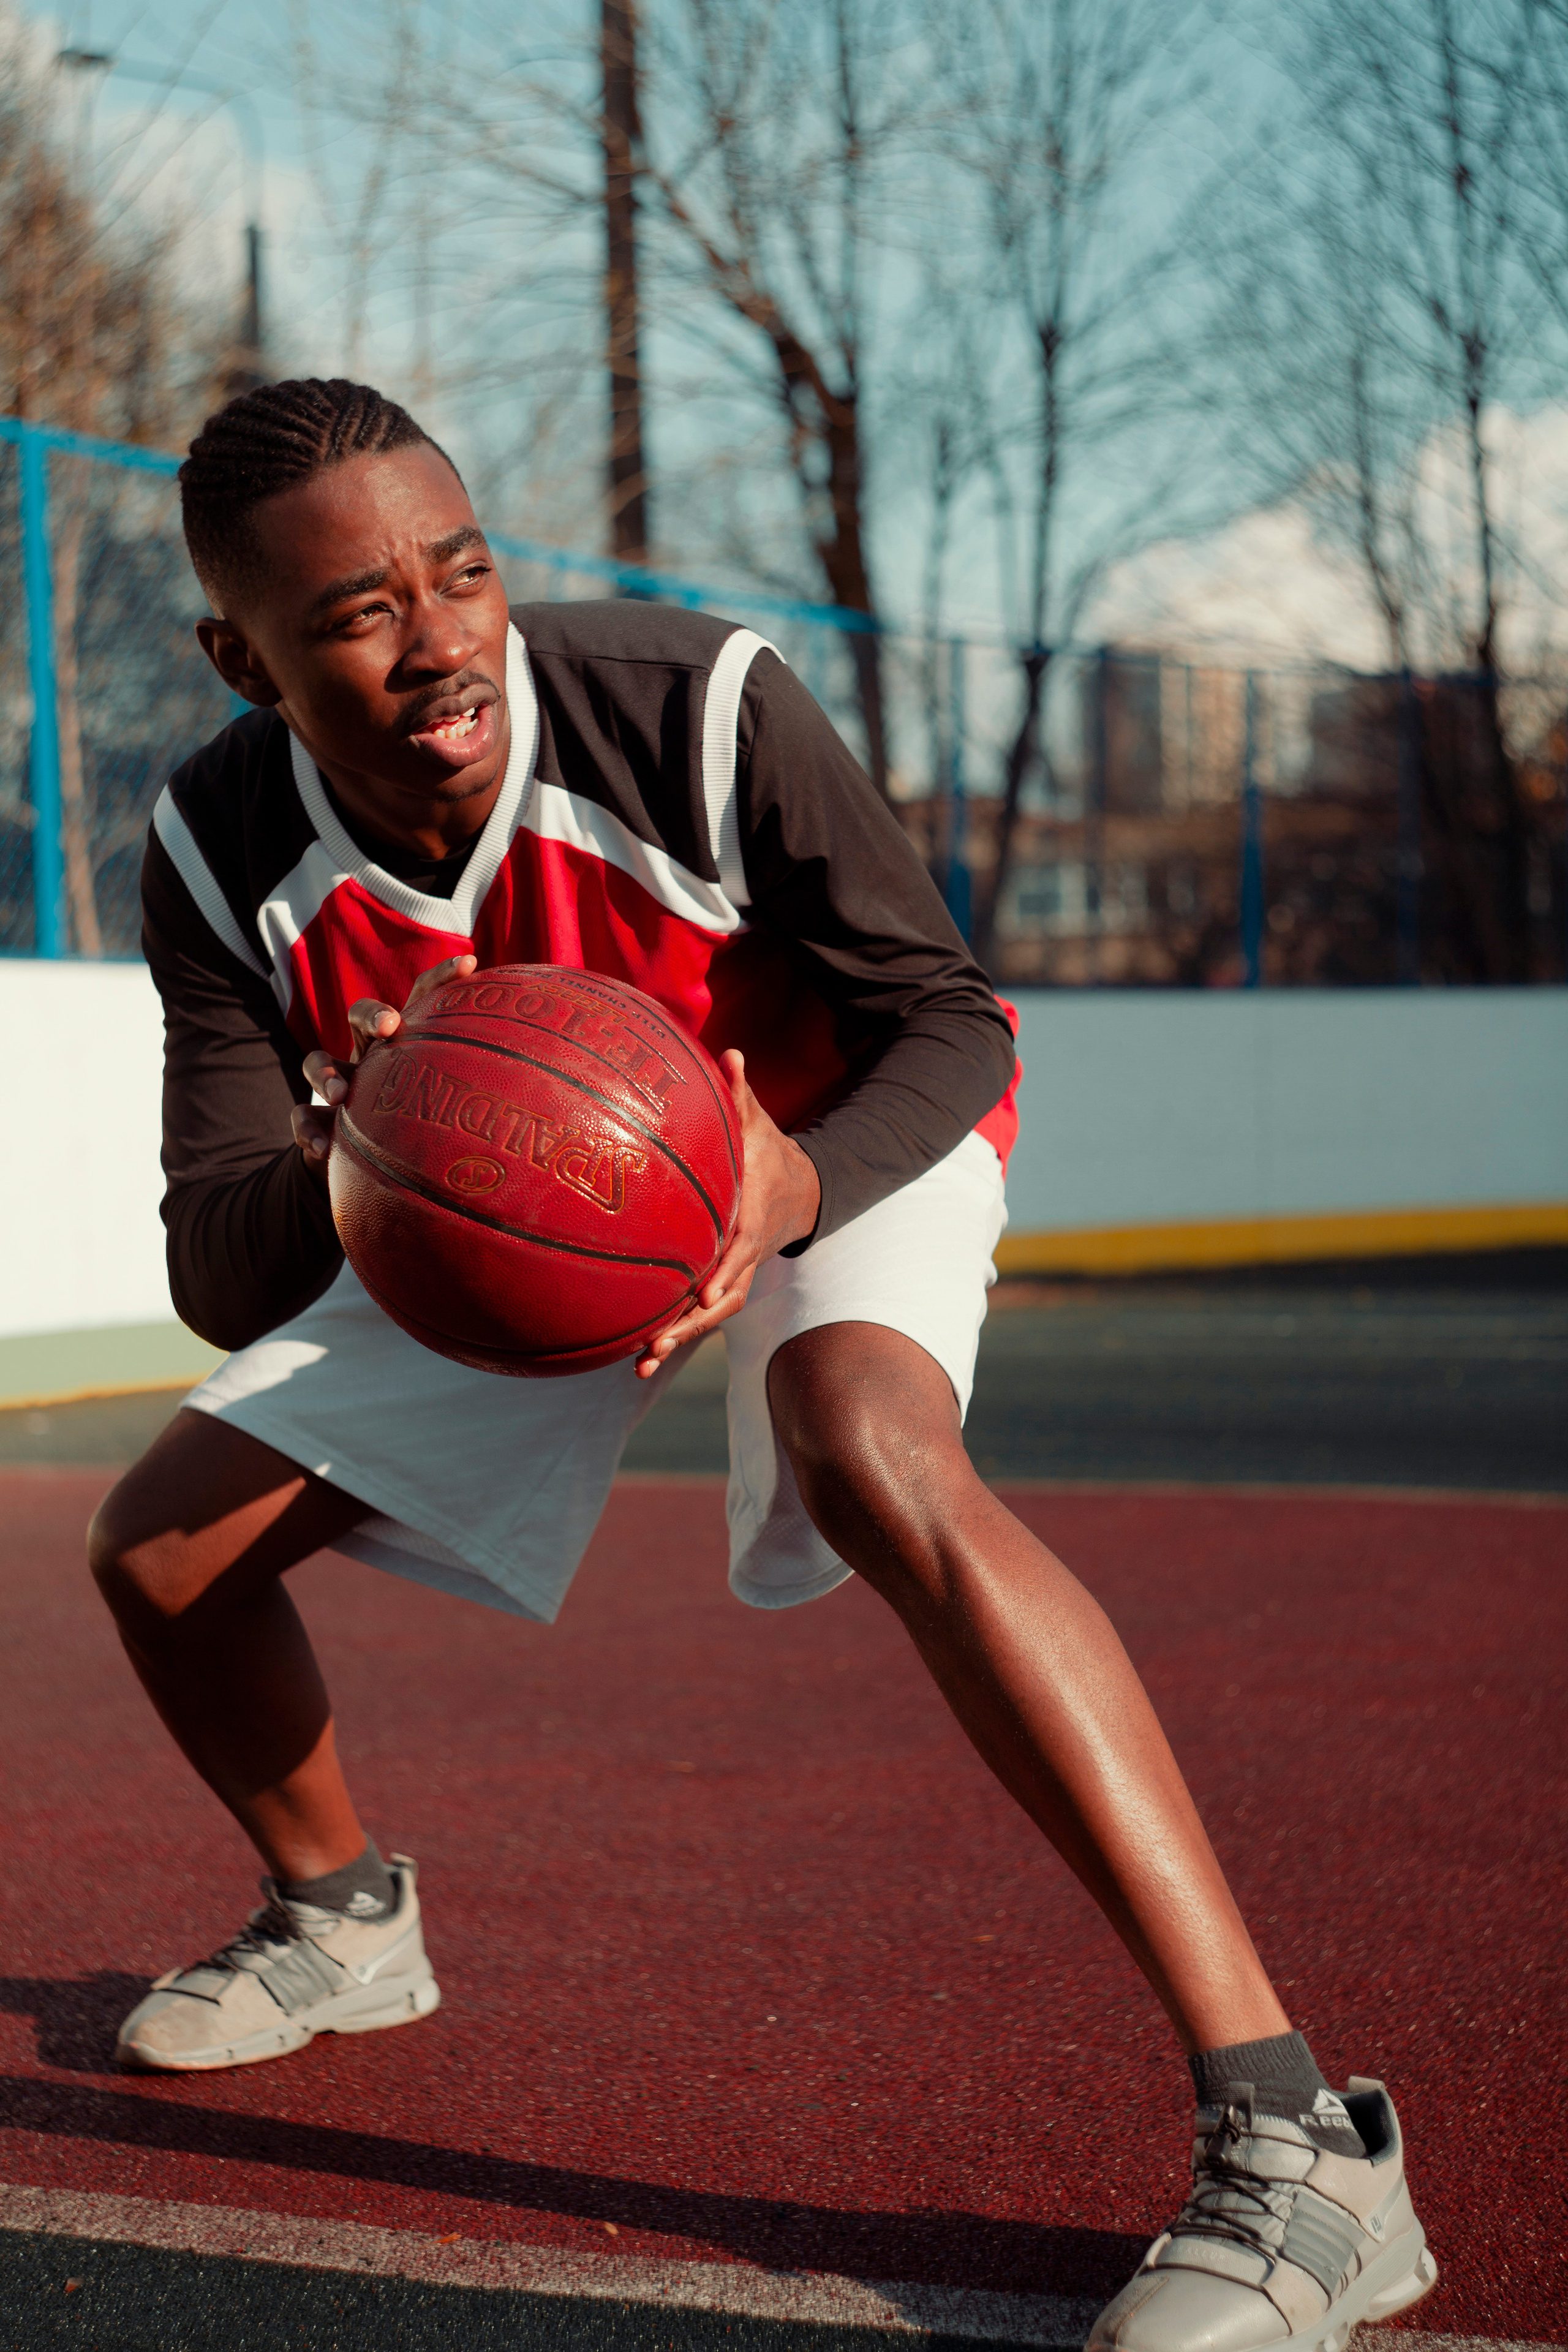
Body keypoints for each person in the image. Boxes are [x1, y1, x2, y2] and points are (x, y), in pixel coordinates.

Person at [89, 379, 1434, 2351]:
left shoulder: (694, 704)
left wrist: (787, 1183)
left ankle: (1303, 2141)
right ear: (243, 654)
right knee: (161, 1551)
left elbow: (950, 1021)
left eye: (462, 572)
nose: (443, 636)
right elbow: (219, 1258)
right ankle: (343, 1920)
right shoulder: (217, 847)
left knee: (871, 1445)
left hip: (833, 1133)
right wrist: (365, 1128)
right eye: (363, 610)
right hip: (505, 1215)